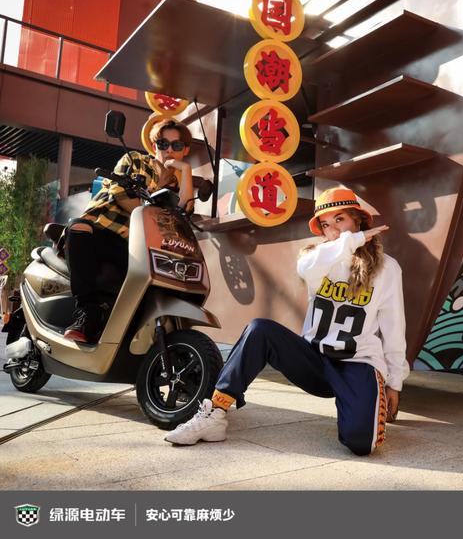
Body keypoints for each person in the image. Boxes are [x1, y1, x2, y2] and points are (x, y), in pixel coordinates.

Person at [165, 187, 409, 456]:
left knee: (361, 444)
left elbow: (394, 328)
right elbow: (308, 267)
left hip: (357, 363)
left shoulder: (387, 268)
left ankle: (359, 403)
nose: (333, 230)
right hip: (315, 360)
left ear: (358, 219)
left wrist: (394, 382)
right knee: (260, 330)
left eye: (340, 219)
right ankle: (215, 413)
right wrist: (353, 240)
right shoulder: (317, 258)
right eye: (326, 225)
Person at [63, 119, 194, 343]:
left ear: (185, 150)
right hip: (104, 231)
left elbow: (185, 210)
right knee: (79, 228)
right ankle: (88, 313)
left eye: (177, 145)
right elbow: (121, 195)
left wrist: (186, 170)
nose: (169, 150)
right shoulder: (135, 160)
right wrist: (149, 211)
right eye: (163, 144)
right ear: (154, 146)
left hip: (137, 247)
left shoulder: (174, 184)